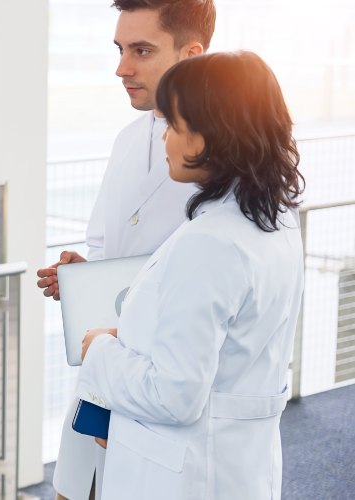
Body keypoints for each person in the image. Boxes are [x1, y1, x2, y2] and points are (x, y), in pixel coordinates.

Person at [78, 50, 304, 500]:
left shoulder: (211, 242)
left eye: (174, 126)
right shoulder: (274, 218)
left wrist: (99, 349)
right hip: (234, 464)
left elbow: (174, 395)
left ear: (212, 135)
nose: (165, 141)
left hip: (182, 475)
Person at [36, 1, 216, 498]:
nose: (122, 68)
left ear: (192, 54)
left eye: (142, 50)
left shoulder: (221, 167)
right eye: (119, 49)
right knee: (77, 488)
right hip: (106, 368)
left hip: (160, 393)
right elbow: (110, 249)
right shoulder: (126, 139)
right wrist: (83, 276)